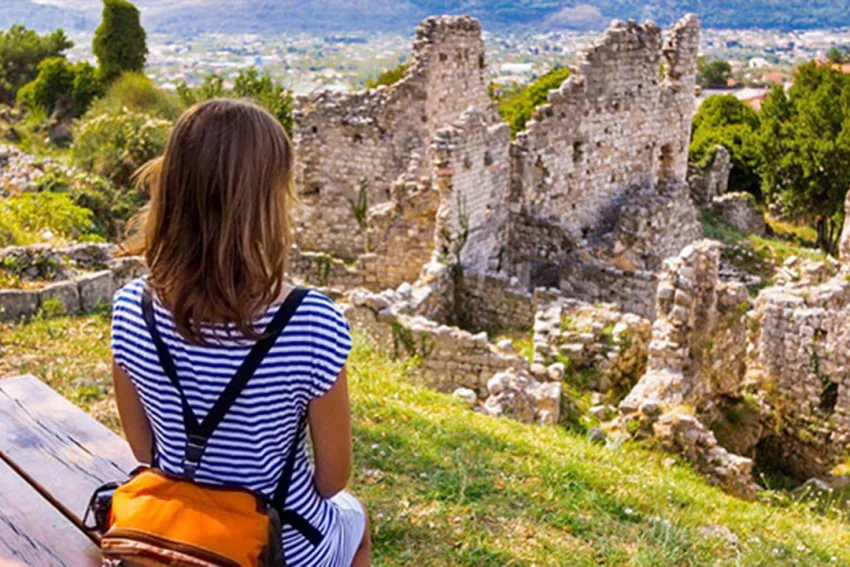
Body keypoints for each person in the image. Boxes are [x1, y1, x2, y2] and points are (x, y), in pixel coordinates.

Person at [109, 98, 370, 567]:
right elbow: (332, 480)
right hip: (273, 545)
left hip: (175, 531)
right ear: (269, 205)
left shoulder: (132, 308)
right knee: (355, 519)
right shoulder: (310, 320)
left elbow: (143, 448)